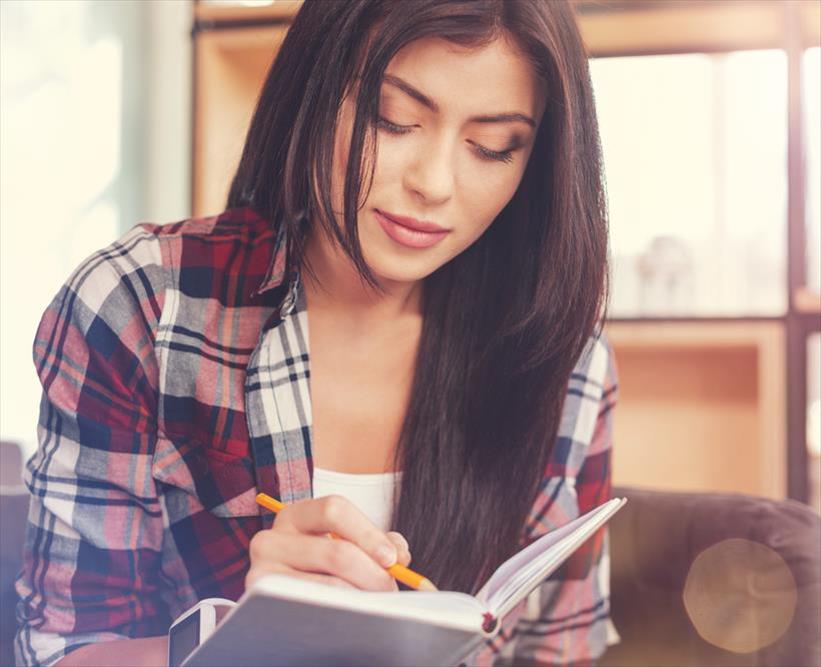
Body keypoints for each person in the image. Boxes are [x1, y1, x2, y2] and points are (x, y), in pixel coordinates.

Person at [15, 0, 618, 665]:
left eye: (492, 147)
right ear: (317, 86)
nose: (434, 183)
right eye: (393, 120)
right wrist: (242, 640)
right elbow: (63, 649)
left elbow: (560, 648)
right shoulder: (143, 309)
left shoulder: (561, 354)